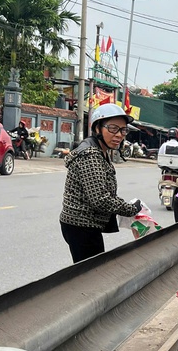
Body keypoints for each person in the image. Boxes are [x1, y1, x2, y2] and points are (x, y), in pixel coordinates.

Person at [59, 103, 142, 263]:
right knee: (92, 273)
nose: (119, 135)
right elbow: (100, 199)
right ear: (97, 128)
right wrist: (129, 209)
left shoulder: (101, 151)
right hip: (81, 226)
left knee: (91, 270)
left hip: (84, 225)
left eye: (123, 130)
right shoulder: (91, 155)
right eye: (113, 128)